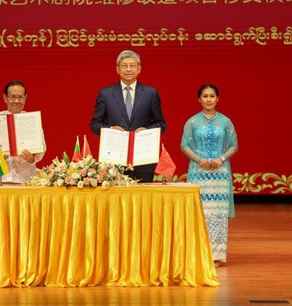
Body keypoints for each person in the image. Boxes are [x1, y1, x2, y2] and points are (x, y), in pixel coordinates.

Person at [180, 83, 238, 267]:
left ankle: (216, 255)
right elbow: (184, 145)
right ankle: (199, 253)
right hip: (199, 174)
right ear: (199, 99)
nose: (208, 99)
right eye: (205, 96)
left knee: (218, 215)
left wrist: (221, 158)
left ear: (217, 99)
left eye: (212, 96)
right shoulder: (192, 122)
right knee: (201, 213)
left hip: (220, 175)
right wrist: (199, 160)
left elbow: (234, 145)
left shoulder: (225, 121)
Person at [90, 50, 166, 183]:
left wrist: (147, 131)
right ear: (117, 69)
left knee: (143, 201)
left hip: (143, 160)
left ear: (139, 69)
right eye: (124, 66)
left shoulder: (150, 93)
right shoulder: (106, 94)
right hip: (114, 161)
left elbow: (161, 124)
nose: (128, 69)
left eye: (132, 65)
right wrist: (111, 129)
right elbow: (95, 124)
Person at [0, 81, 45, 183]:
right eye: (12, 97)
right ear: (5, 98)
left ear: (25, 98)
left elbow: (42, 148)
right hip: (1, 177)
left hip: (26, 179)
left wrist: (32, 159)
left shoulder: (32, 120)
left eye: (20, 97)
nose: (16, 101)